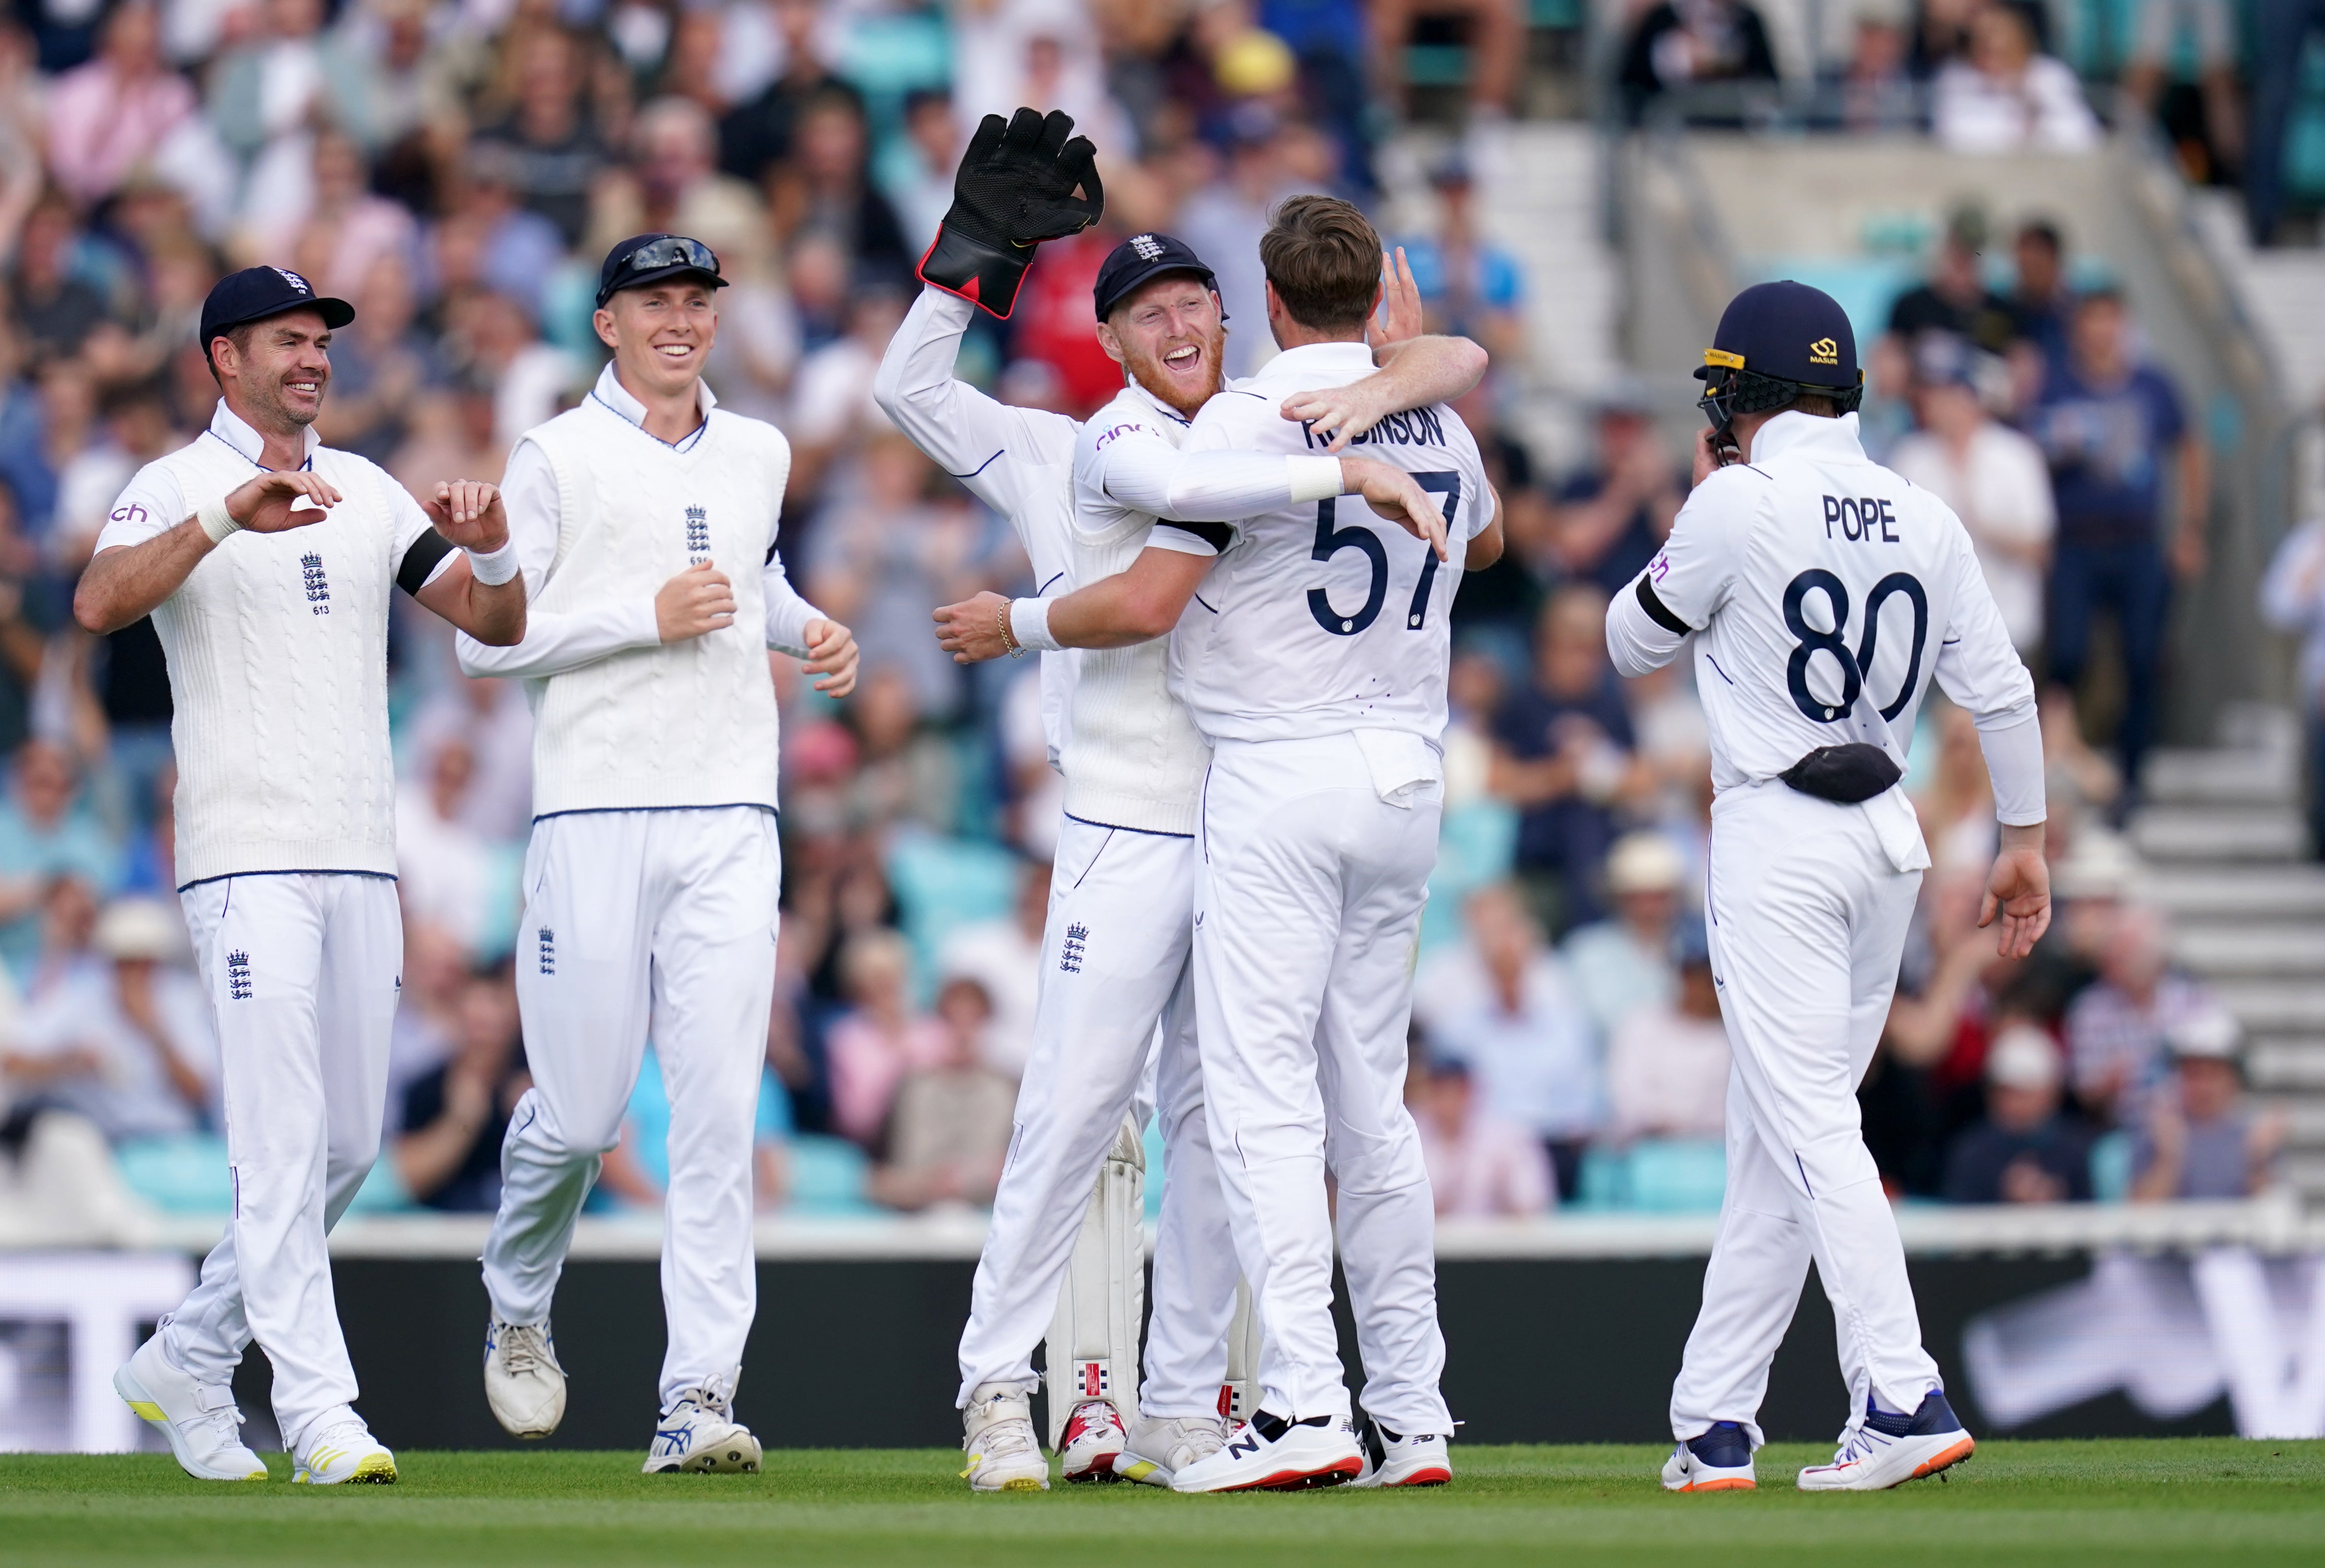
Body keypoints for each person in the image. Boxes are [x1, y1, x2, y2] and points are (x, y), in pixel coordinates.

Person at [888, 112, 1485, 1493]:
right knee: (1075, 1108)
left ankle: (1177, 1396)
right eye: (1145, 306)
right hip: (1124, 824)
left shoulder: (1270, 410)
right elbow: (907, 392)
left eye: (1194, 301)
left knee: (1223, 1126)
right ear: (1107, 337)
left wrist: (1430, 360)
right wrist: (966, 260)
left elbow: (1423, 364)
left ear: (1239, 318)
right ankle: (995, 1381)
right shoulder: (1078, 444)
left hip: (1250, 817)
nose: (1175, 320)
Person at [76, 263, 525, 1485]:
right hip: (244, 855)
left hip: (359, 859)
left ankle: (188, 1352)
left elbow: (493, 624)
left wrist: (492, 556)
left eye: (321, 339)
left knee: (346, 1148)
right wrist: (228, 513)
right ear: (224, 357)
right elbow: (98, 600)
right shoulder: (173, 484)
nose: (313, 358)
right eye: (287, 339)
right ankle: (324, 1412)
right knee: (280, 1145)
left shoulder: (370, 486)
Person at [1605, 279, 2048, 1492]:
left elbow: (1627, 641)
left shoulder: (1734, 498)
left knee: (1805, 1124)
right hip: (1887, 840)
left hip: (1779, 835)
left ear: (1744, 392)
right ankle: (1712, 1423)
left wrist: (1693, 521)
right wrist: (2025, 840)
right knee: (1776, 1139)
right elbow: (2002, 694)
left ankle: (1900, 1392)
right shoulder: (1924, 508)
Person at [460, 233, 859, 1474]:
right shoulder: (555, 457)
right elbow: (486, 643)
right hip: (591, 810)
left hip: (731, 811)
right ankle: (518, 1295)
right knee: (581, 1116)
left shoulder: (759, 449)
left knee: (715, 1116)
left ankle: (696, 1395)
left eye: (696, 302)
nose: (681, 322)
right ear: (608, 325)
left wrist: (809, 631)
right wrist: (645, 617)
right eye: (656, 304)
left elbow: (754, 582)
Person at [2032, 287, 2206, 795]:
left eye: (2111, 320)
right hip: (2075, 542)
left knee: (2142, 657)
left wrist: (2189, 527)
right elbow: (2031, 446)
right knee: (2066, 655)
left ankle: (2132, 776)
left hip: (2137, 543)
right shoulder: (2058, 384)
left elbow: (2190, 447)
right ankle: (2051, 764)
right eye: (2092, 320)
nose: (2102, 331)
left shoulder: (2153, 384)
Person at [1888, 334, 2055, 659]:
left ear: (1968, 395)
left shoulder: (2016, 456)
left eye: (1942, 392)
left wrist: (1980, 527)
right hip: (1929, 634)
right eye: (1927, 392)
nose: (1931, 402)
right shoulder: (1910, 456)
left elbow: (2040, 550)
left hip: (2007, 627)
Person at [1940, 1023, 2092, 1204]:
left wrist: (2054, 1199)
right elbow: (1958, 1218)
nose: (2015, 1104)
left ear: (2052, 1093)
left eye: (2025, 1092)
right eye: (2007, 1092)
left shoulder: (2079, 1150)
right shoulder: (1972, 1152)